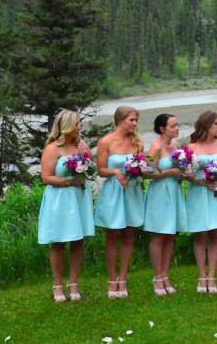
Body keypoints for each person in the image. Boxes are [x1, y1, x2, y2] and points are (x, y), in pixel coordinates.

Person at [38, 109, 95, 302]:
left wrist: (88, 158)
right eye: (77, 124)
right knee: (59, 242)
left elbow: (91, 169)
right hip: (60, 200)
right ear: (67, 127)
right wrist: (69, 182)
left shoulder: (81, 146)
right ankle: (57, 284)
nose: (80, 127)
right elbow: (46, 177)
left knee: (78, 241)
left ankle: (74, 283)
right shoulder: (53, 148)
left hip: (79, 198)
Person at [94, 106, 145, 299]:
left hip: (131, 190)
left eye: (136, 120)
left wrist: (139, 171)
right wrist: (116, 172)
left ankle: (123, 278)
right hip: (114, 191)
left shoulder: (137, 143)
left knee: (129, 235)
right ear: (121, 120)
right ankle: (112, 278)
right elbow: (101, 169)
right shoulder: (106, 141)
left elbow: (141, 165)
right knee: (112, 235)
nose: (135, 124)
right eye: (132, 120)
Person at [185, 111, 217, 294]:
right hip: (199, 193)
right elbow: (186, 173)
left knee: (215, 234)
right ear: (206, 126)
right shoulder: (191, 147)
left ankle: (212, 276)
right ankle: (201, 276)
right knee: (201, 234)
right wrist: (199, 180)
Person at [143, 114, 187, 296]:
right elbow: (147, 172)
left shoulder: (175, 147)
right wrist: (170, 171)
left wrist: (183, 172)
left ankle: (166, 274)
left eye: (178, 125)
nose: (177, 129)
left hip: (174, 191)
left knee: (171, 235)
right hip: (160, 192)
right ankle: (157, 277)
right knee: (160, 234)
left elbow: (180, 170)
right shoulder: (156, 146)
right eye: (173, 126)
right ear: (162, 129)